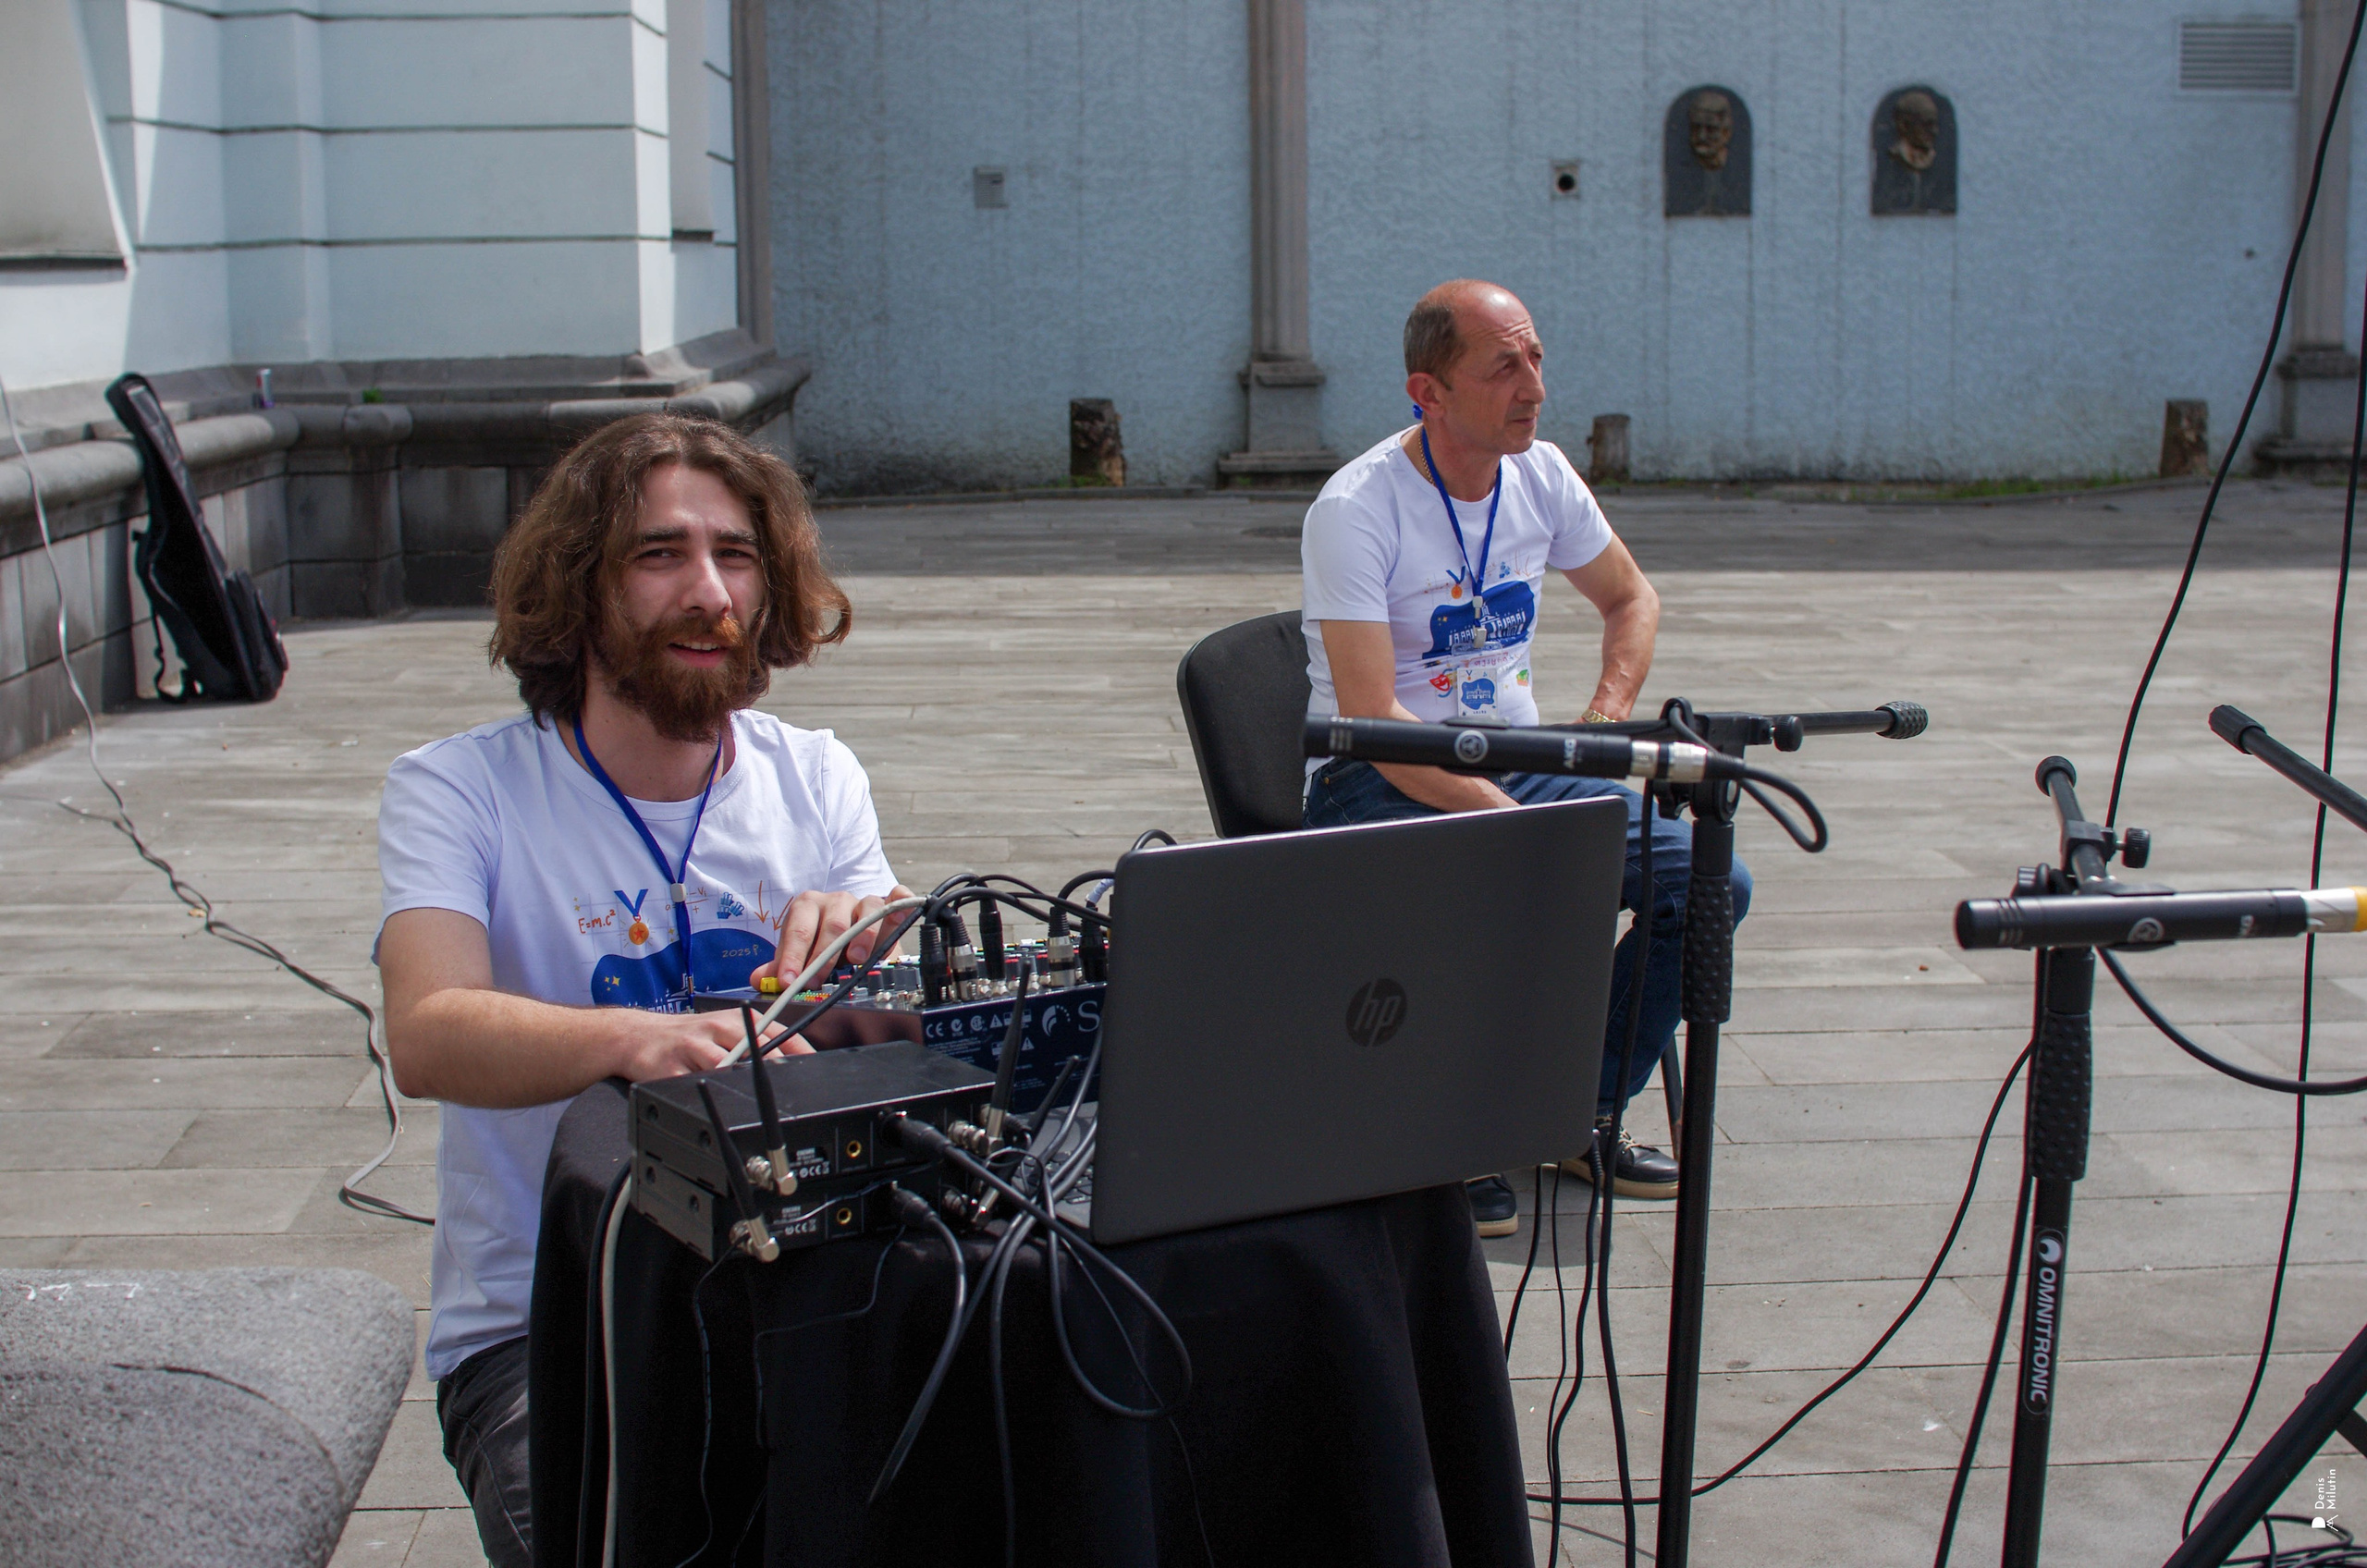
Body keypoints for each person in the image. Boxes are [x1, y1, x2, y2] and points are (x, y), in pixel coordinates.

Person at [375, 412, 912, 1568]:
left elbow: (887, 983)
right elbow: (425, 1033)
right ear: (577, 586)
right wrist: (646, 1036)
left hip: (799, 1293)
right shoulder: (461, 790)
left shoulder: (812, 775)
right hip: (545, 1331)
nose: (708, 591)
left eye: (736, 555)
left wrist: (886, 941)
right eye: (658, 554)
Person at [1300, 279, 1752, 1238]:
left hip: (1522, 762)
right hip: (1373, 774)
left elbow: (1632, 600)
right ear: (1427, 391)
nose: (1533, 385)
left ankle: (1569, 1110)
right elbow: (1373, 716)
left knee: (1709, 884)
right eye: (1503, 366)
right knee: (1506, 882)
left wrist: (1599, 725)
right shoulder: (1356, 507)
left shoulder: (1542, 474)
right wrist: (1512, 825)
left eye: (1536, 357)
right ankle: (1449, 1135)